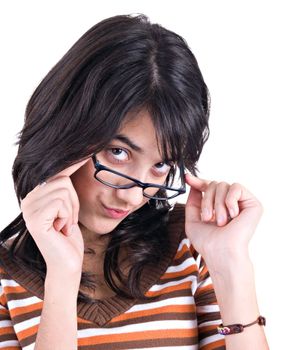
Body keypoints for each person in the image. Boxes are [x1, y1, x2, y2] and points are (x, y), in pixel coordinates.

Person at [0, 13, 268, 349]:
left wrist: (231, 264)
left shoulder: (192, 246)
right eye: (118, 152)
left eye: (161, 164)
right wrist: (62, 279)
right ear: (66, 130)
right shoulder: (5, 279)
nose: (133, 196)